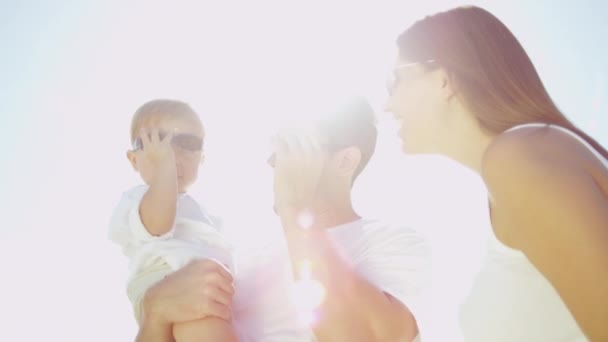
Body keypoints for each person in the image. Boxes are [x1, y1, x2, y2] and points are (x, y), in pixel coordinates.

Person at [385, 6, 608, 341]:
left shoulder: (518, 157)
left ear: (444, 80)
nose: (388, 104)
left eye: (396, 80)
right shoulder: (518, 164)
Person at [269, 96, 430, 341]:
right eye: (276, 152)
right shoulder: (244, 254)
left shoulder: (394, 244)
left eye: (293, 148)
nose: (274, 163)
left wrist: (295, 207)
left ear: (345, 160)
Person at [109, 99, 237, 341]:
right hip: (165, 275)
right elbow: (158, 225)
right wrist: (164, 167)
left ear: (202, 158)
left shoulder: (206, 214)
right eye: (158, 141)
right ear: (134, 159)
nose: (172, 153)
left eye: (187, 143)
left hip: (205, 287)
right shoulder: (137, 198)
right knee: (205, 328)